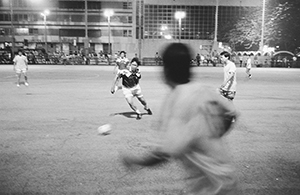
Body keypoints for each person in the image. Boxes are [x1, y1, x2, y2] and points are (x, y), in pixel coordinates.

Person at [121, 43, 238, 194]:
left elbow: (163, 153)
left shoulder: (176, 100)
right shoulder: (204, 90)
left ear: (166, 70)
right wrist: (212, 134)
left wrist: (136, 161)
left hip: (211, 187)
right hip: (227, 177)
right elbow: (231, 114)